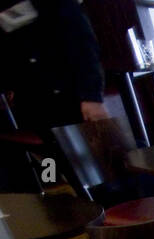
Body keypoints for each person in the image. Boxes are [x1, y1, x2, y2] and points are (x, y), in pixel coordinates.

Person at [0, 0, 107, 191]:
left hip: (71, 94)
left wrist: (91, 96)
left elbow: (83, 45)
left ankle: (112, 205)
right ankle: (59, 201)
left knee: (96, 166)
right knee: (48, 162)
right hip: (31, 101)